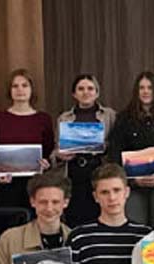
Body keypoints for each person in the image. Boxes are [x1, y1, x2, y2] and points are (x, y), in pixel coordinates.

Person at [0, 68, 54, 209]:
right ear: (9, 91)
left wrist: (47, 163)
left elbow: (49, 150)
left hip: (36, 184)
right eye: (15, 86)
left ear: (32, 89)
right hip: (7, 184)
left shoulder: (43, 119)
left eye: (24, 85)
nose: (20, 89)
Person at [108, 71, 154, 227]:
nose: (145, 91)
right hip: (133, 186)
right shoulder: (124, 118)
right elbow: (115, 153)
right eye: (141, 88)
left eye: (150, 87)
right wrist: (132, 180)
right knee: (136, 227)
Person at [53, 73, 117, 227]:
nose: (85, 92)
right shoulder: (64, 118)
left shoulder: (109, 115)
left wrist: (101, 145)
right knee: (75, 218)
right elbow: (55, 150)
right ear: (74, 94)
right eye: (80, 89)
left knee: (101, 216)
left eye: (90, 88)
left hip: (100, 170)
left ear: (97, 93)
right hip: (73, 173)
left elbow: (117, 144)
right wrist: (59, 155)